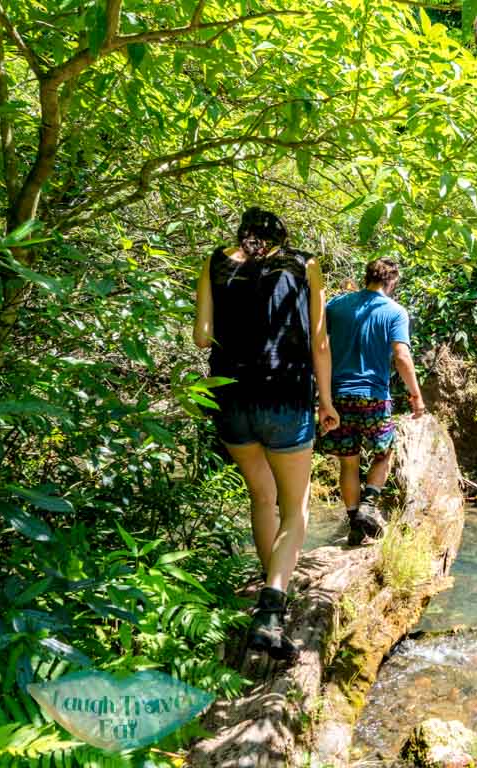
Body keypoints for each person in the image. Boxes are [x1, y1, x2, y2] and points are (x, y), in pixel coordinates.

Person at [193, 207, 338, 661]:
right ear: (281, 238)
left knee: (261, 497)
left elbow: (202, 337)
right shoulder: (304, 264)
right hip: (285, 395)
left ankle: (269, 590)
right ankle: (272, 611)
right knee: (295, 509)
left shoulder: (215, 262)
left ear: (242, 235)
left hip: (231, 398)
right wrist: (327, 402)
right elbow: (319, 342)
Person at [320, 258, 425, 544]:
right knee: (384, 453)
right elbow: (402, 356)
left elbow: (319, 347)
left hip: (338, 397)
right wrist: (415, 395)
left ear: (366, 277)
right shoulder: (395, 312)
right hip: (374, 397)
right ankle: (368, 505)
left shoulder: (336, 306)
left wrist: (321, 397)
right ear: (392, 281)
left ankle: (355, 523)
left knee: (348, 464)